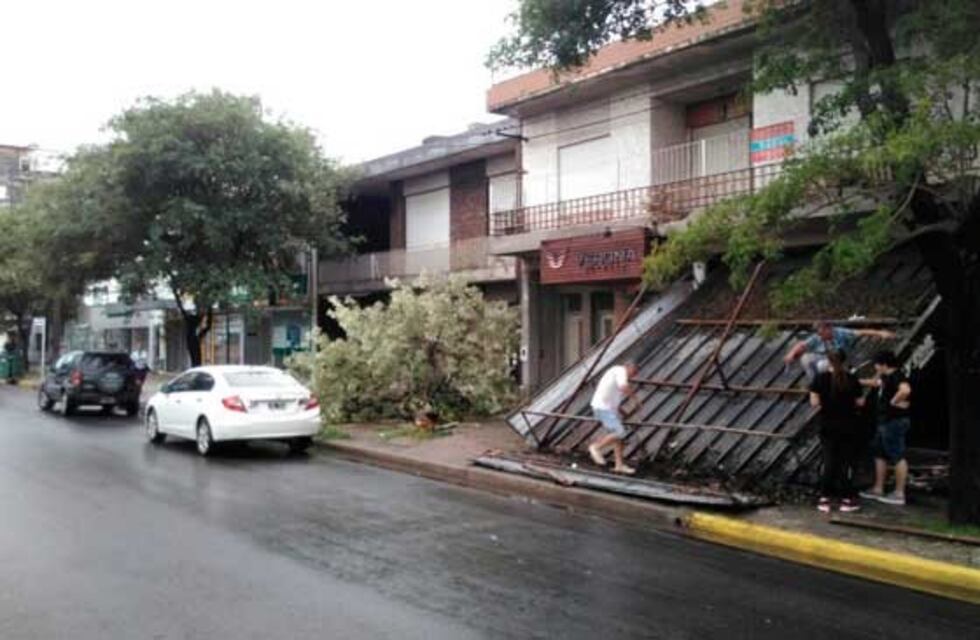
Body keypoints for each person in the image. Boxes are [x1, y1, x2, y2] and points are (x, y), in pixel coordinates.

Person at [808, 350, 864, 513]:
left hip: (827, 424)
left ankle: (825, 498)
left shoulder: (820, 378)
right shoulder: (852, 379)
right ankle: (847, 498)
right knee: (846, 462)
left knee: (829, 460)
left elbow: (814, 402)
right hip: (848, 424)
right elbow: (860, 402)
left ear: (828, 361)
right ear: (845, 361)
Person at [860, 350, 913, 506]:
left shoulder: (897, 376)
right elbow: (875, 383)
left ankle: (899, 493)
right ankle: (878, 488)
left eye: (876, 364)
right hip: (884, 421)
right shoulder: (886, 377)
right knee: (879, 452)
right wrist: (856, 380)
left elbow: (905, 390)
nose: (875, 367)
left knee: (897, 454)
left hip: (894, 421)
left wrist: (894, 401)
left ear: (883, 364)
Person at [784, 321, 896, 383]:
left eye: (822, 333)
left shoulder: (841, 332)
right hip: (825, 357)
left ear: (829, 329)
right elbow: (802, 344)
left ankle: (832, 382)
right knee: (806, 358)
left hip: (840, 359)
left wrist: (880, 333)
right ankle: (816, 383)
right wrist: (791, 354)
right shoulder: (817, 337)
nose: (821, 336)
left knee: (824, 365)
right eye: (819, 333)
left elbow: (861, 332)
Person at [588, 361, 639, 475]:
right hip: (602, 408)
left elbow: (613, 397)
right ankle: (595, 447)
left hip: (607, 409)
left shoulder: (615, 373)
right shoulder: (620, 371)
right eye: (633, 372)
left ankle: (619, 465)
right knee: (619, 432)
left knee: (618, 438)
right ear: (628, 367)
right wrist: (635, 400)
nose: (633, 376)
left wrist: (622, 412)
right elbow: (624, 387)